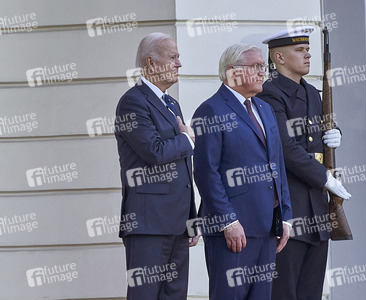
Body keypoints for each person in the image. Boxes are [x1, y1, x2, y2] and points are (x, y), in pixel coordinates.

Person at [257, 26, 352, 300]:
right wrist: (324, 177)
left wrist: (336, 134)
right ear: (279, 58)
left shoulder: (311, 92)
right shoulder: (270, 94)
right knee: (284, 292)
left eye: (308, 49)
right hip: (290, 207)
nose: (308, 55)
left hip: (317, 211)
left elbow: (320, 132)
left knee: (311, 292)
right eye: (299, 50)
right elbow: (285, 148)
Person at [192, 43, 292, 300]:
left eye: (263, 67)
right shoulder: (211, 110)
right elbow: (206, 172)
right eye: (256, 66)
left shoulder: (264, 109)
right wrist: (228, 221)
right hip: (232, 231)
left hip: (267, 229)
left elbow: (277, 165)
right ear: (232, 72)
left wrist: (286, 216)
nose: (263, 73)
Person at [114, 32, 199, 299]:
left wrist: (191, 217)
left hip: (177, 224)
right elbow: (154, 152)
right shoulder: (133, 101)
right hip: (148, 224)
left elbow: (182, 168)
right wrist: (187, 139)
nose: (179, 64)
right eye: (173, 57)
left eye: (178, 58)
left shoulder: (171, 103)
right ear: (151, 63)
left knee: (175, 295)